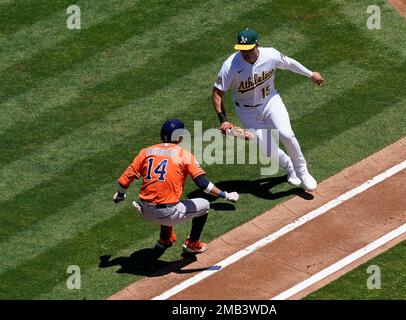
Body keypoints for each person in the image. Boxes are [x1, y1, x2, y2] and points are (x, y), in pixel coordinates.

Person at [212, 28, 325, 191]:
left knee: (286, 134)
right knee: (267, 147)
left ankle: (302, 171)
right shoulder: (230, 65)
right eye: (242, 50)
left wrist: (310, 74)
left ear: (257, 44)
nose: (245, 53)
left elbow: (289, 63)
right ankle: (289, 167)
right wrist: (223, 120)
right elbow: (217, 94)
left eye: (248, 49)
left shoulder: (270, 54)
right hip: (247, 111)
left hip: (271, 102)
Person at [113, 119, 239, 254]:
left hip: (143, 210)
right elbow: (204, 185)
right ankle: (193, 244)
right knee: (204, 205)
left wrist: (120, 195)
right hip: (167, 213)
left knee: (167, 197)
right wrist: (226, 195)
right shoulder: (184, 155)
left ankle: (164, 240)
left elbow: (125, 179)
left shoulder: (146, 152)